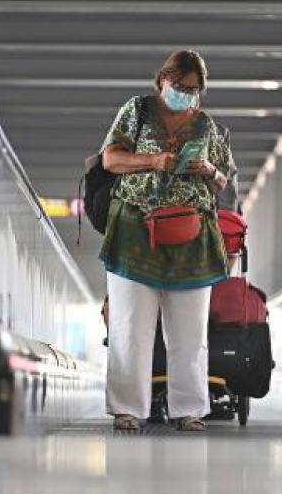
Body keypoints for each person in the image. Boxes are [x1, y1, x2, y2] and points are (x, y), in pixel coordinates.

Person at [99, 50, 234, 432]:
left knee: (190, 332)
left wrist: (207, 168)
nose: (186, 94)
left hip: (192, 238)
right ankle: (128, 408)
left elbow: (225, 180)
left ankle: (189, 409)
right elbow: (110, 159)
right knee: (130, 327)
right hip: (134, 232)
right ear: (162, 80)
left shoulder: (207, 126)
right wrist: (153, 160)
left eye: (193, 90)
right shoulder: (137, 111)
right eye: (179, 86)